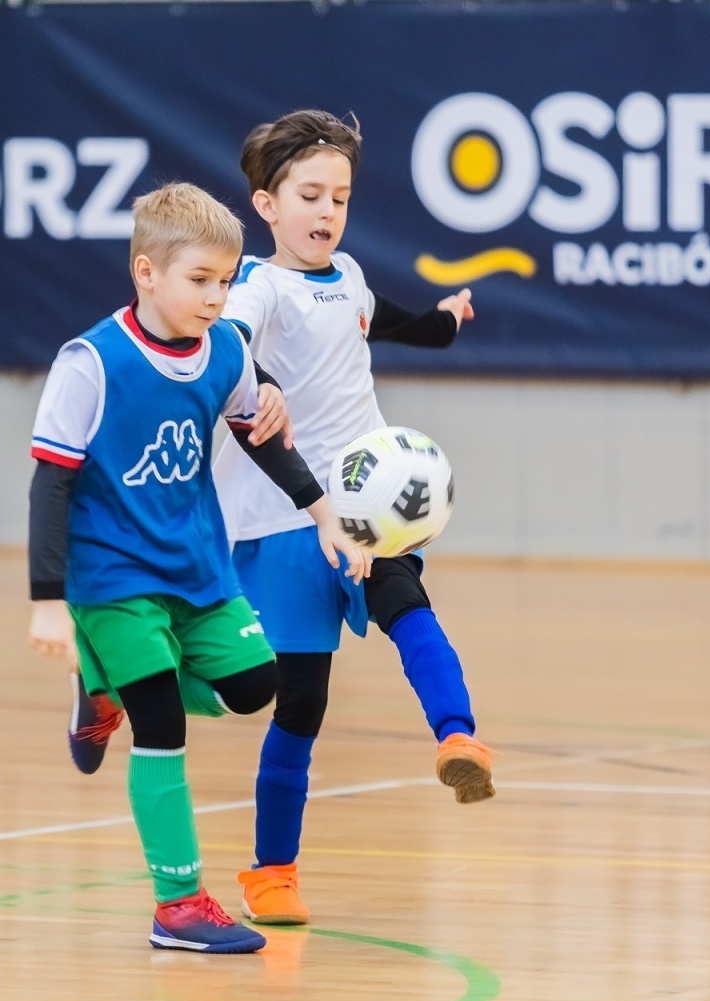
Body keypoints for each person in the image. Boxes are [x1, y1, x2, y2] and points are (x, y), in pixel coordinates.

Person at [24, 182, 370, 953]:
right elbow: (51, 482)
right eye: (200, 281)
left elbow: (263, 436)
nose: (217, 298)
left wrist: (323, 518)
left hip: (199, 569)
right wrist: (48, 600)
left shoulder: (226, 352)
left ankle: (101, 681)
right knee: (164, 724)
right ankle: (177, 906)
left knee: (256, 687)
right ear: (147, 273)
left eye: (226, 281)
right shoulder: (92, 362)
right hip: (112, 579)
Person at [220, 110, 492, 926]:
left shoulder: (351, 278)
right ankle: (273, 875)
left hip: (367, 505)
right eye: (310, 194)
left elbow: (396, 323)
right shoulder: (259, 288)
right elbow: (229, 343)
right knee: (297, 703)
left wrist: (444, 320)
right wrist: (260, 381)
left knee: (407, 603)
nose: (327, 210)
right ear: (268, 206)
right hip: (283, 516)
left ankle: (458, 738)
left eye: (339, 195)